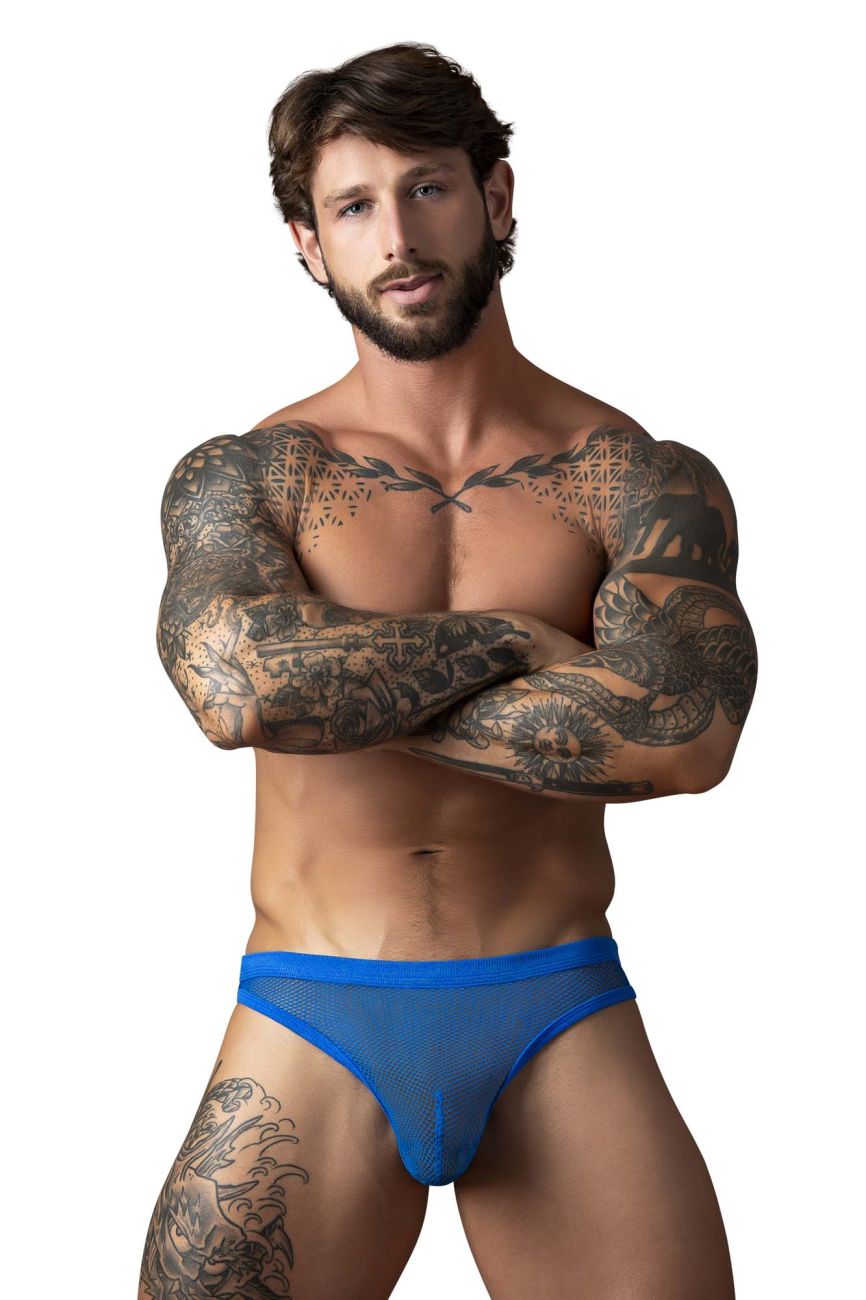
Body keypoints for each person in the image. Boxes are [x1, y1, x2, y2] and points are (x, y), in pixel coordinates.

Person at [139, 40, 757, 1300]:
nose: (397, 237)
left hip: (556, 1002)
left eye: (426, 187)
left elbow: (684, 733)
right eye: (352, 207)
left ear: (495, 196)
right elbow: (236, 687)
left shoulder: (631, 474)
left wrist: (338, 686)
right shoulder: (250, 473)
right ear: (308, 244)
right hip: (311, 1004)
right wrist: (530, 643)